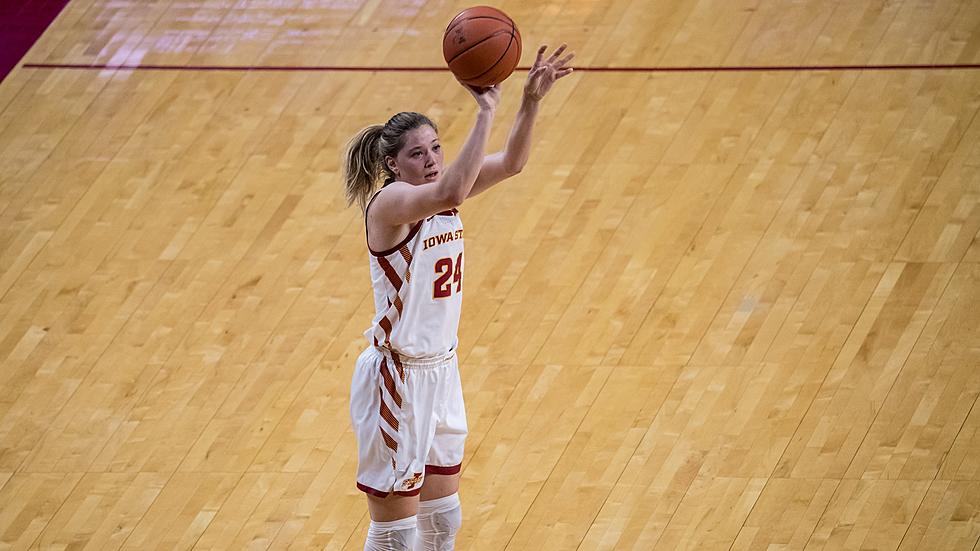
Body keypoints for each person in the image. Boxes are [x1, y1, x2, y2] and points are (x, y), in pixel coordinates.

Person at [343, 44, 574, 551]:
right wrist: (486, 109)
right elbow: (448, 192)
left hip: (442, 371)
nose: (430, 161)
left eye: (435, 149)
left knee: (443, 519)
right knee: (396, 536)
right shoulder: (390, 204)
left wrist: (530, 102)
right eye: (417, 153)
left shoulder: (445, 188)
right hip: (398, 379)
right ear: (392, 164)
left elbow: (512, 163)